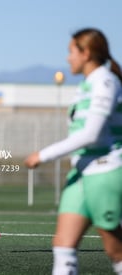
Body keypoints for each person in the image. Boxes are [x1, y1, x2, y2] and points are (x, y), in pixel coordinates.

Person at [25, 28, 122, 274]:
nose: (68, 58)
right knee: (63, 246)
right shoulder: (86, 85)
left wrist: (43, 155)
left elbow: (91, 134)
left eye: (71, 52)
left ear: (86, 53)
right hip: (80, 176)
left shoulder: (105, 81)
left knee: (116, 251)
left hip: (105, 174)